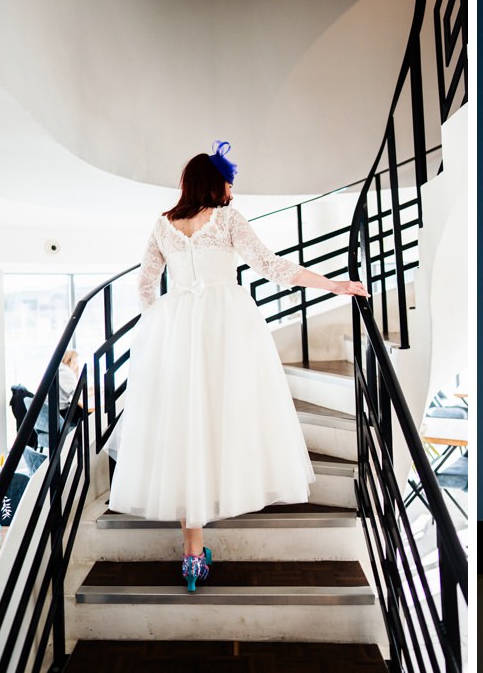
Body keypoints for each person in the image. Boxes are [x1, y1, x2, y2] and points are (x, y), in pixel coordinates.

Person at [107, 141, 368, 591]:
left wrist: (162, 327)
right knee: (227, 417)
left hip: (179, 332)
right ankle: (200, 541)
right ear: (216, 184)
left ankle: (192, 554)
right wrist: (333, 285)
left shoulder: (163, 226)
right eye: (228, 180)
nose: (232, 188)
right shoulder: (227, 219)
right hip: (225, 328)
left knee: (185, 432)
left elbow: (146, 285)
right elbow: (270, 266)